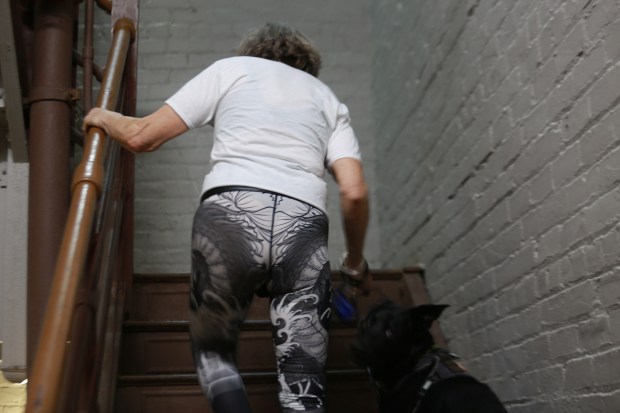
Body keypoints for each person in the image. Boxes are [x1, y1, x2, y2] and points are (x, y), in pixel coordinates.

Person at [83, 22, 370, 413]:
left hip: (229, 217)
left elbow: (142, 136)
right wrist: (353, 266)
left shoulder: (230, 70)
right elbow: (354, 191)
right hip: (303, 227)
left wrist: (100, 115)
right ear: (307, 67)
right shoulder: (327, 98)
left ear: (253, 52)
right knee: (303, 387)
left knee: (214, 353)